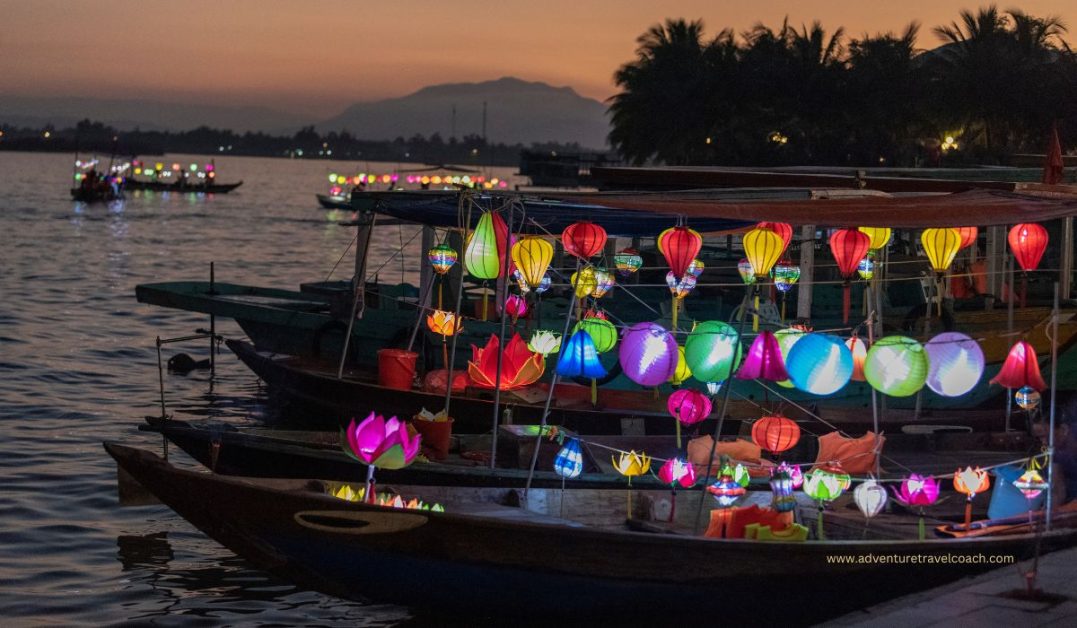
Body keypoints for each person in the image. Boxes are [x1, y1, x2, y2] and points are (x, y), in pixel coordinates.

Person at [1032, 393, 1077, 505]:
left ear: (1063, 429)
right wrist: (1048, 513)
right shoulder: (1056, 452)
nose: (1043, 442)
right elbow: (1058, 488)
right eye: (1039, 438)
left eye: (1045, 436)